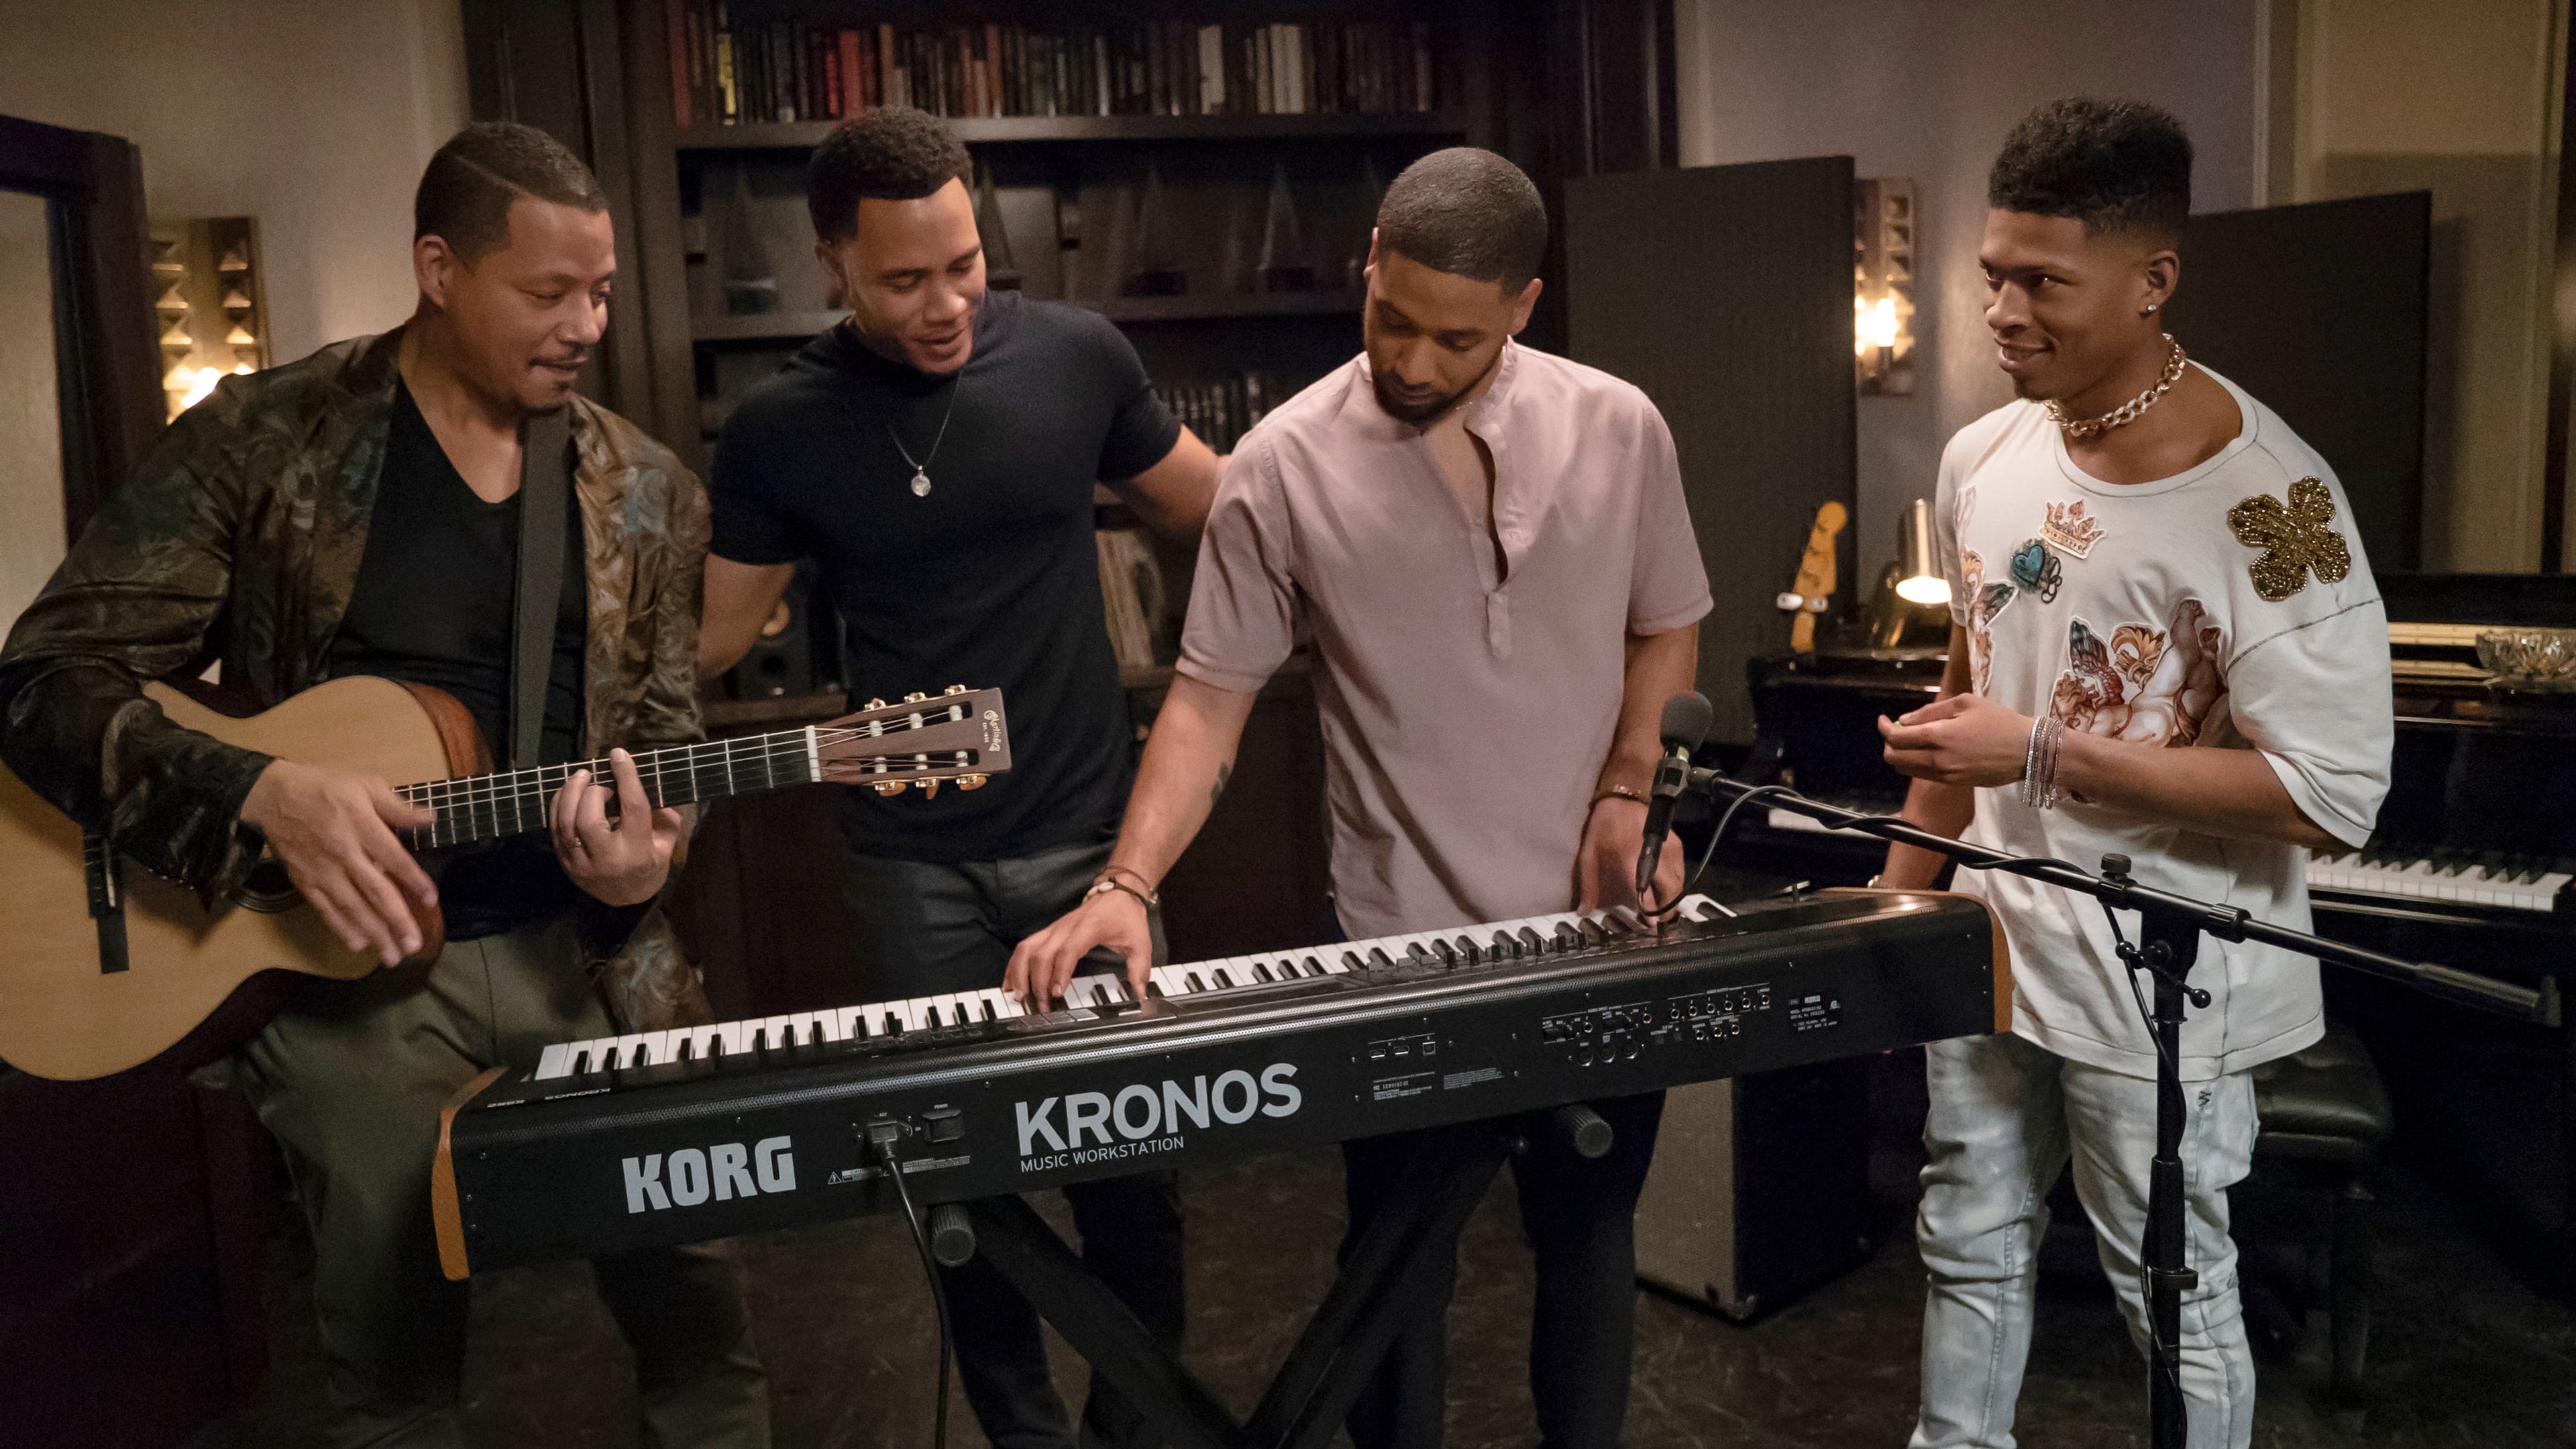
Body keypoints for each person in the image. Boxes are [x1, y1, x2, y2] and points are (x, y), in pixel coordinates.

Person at [0, 123, 770, 1447]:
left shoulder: (649, 490)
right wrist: (259, 788)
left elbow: (660, 735)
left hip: (582, 956)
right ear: (439, 269)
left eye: (600, 293)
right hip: (330, 964)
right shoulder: (266, 439)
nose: (585, 325)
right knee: (394, 1353)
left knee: (701, 1307)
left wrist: (653, 857)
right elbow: (43, 679)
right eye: (548, 292)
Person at [1008, 146, 1710, 1449]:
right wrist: (1125, 883)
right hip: (1398, 946)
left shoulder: (1623, 426)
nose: (1415, 360)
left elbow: (1666, 623)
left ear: (1524, 305)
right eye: (1393, 318)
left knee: (1590, 1232)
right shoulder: (1279, 466)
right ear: (1369, 264)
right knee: (1397, 1263)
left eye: (1458, 337)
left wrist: (1631, 791)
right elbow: (1206, 699)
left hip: (1600, 932)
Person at [695, 106, 1221, 1449]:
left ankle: (1132, 1434)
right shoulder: (778, 427)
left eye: (965, 265)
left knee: (1135, 1176)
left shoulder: (1078, 359)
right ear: (832, 263)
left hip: (1090, 845)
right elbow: (708, 640)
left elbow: (1222, 510)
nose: (947, 306)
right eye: (904, 281)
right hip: (908, 868)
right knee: (956, 1189)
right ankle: (1023, 1435)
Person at [1874, 98, 2392, 1449]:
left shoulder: (2271, 506)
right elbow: (1963, 714)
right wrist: (1886, 910)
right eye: (1994, 274)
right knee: (1965, 1235)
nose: (2003, 312)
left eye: (2044, 283)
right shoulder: (1984, 455)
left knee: (2170, 1288)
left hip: (2166, 968)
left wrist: (2043, 751)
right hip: (1993, 940)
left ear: (2154, 279)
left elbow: (2333, 796)